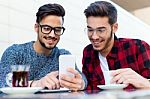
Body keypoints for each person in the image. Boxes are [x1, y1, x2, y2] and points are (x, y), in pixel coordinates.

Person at [0, 3, 87, 91]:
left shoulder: (63, 55)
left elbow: (83, 79)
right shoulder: (15, 52)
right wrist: (37, 84)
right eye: (46, 28)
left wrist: (81, 83)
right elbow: (3, 83)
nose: (52, 35)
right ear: (36, 28)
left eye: (57, 30)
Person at [82, 1, 150, 90]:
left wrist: (143, 82)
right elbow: (88, 89)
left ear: (114, 28)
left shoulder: (137, 47)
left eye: (101, 30)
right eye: (90, 30)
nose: (94, 37)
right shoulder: (88, 52)